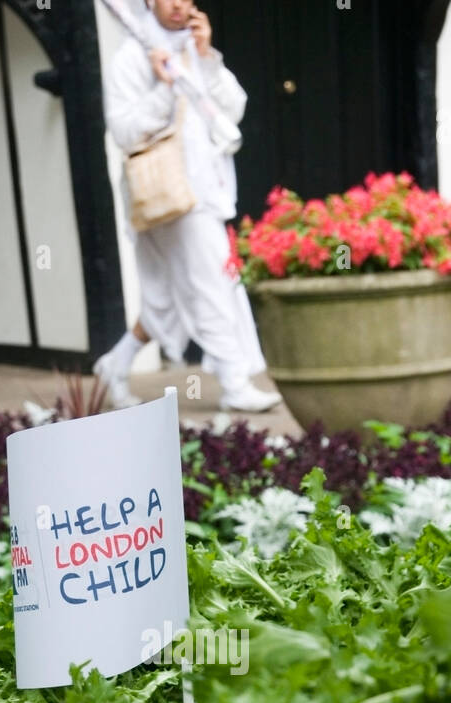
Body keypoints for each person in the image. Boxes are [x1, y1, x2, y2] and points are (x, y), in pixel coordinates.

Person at [97, 0, 280, 413]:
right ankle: (235, 383)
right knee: (215, 282)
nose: (179, 4)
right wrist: (163, 88)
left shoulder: (192, 49)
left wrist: (206, 57)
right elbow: (125, 132)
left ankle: (115, 364)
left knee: (165, 300)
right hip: (168, 195)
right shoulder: (131, 57)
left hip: (204, 191)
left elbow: (233, 109)